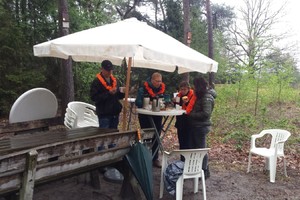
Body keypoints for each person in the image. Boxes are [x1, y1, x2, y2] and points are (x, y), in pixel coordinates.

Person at [185, 76, 216, 179]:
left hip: (201, 126)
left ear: (199, 86)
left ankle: (204, 171)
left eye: (194, 85)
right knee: (197, 148)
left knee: (201, 150)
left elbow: (206, 113)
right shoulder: (200, 95)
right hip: (196, 126)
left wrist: (191, 115)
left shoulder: (206, 97)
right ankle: (197, 169)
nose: (193, 87)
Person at [135, 72, 165, 168]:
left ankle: (155, 158)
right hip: (145, 116)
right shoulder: (143, 89)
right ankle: (145, 158)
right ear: (152, 80)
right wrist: (148, 102)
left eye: (160, 81)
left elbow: (164, 101)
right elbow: (137, 102)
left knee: (157, 135)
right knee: (146, 136)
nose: (159, 83)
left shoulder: (161, 89)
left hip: (157, 115)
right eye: (157, 81)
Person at [90, 60, 125, 129]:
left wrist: (123, 92)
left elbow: (119, 97)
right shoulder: (96, 82)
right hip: (104, 114)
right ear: (102, 69)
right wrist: (108, 93)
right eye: (107, 70)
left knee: (114, 134)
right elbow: (94, 97)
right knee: (104, 135)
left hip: (115, 112)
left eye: (110, 70)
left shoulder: (115, 80)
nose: (109, 72)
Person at [174, 81, 194, 152]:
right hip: (180, 120)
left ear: (188, 89)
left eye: (184, 89)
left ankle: (187, 157)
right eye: (181, 89)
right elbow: (176, 106)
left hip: (188, 121)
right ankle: (182, 157)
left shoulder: (192, 95)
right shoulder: (178, 96)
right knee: (181, 140)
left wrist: (187, 102)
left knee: (188, 140)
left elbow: (192, 107)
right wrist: (174, 101)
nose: (183, 91)